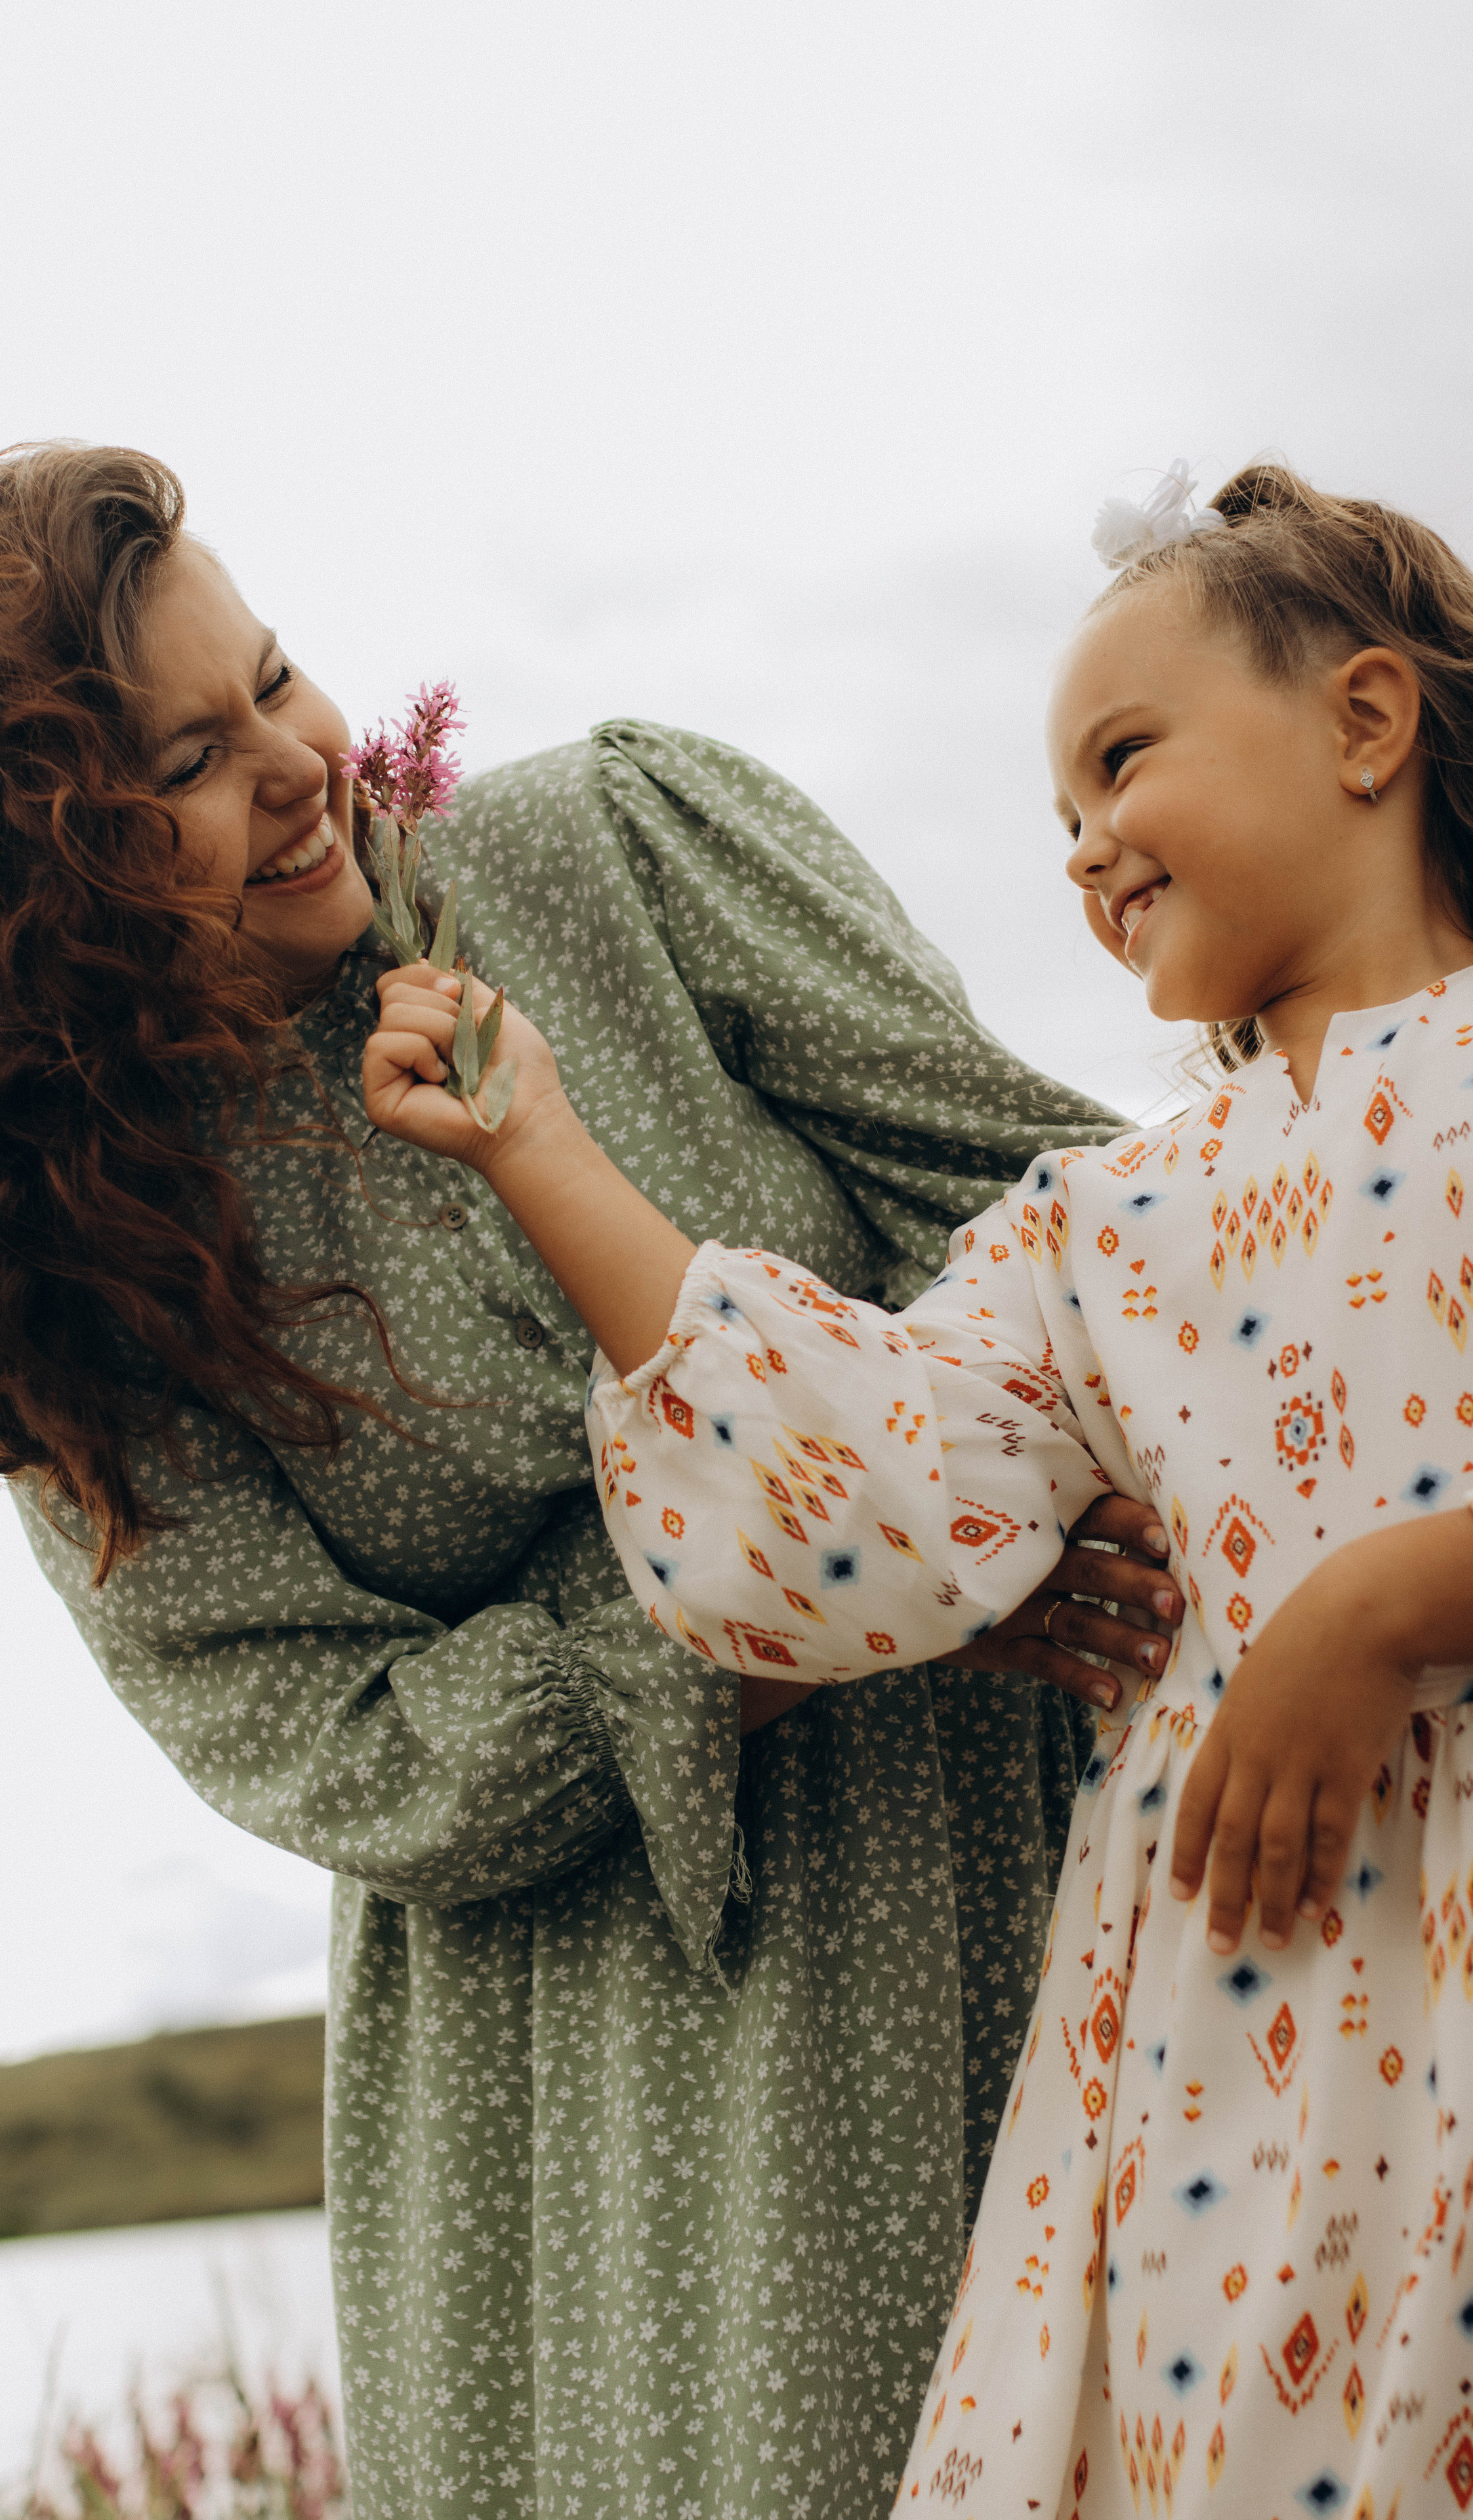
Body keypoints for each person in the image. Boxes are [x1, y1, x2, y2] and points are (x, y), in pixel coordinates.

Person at [0, 442, 1179, 2520]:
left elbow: (1062, 1225)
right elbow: (347, 1750)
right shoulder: (63, 1276)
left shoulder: (618, 849)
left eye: (278, 677)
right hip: (576, 2098)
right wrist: (833, 1587)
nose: (302, 765)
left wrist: (964, 1494)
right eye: (189, 761)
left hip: (1005, 1884)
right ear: (30, 884)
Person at [363, 459, 1473, 2514]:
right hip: (1246, 2079)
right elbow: (858, 1500)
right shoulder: (1099, 1229)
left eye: (1122, 759)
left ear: (1366, 721)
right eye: (1056, 813)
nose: (1085, 844)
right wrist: (537, 1144)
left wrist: (1383, 1607)